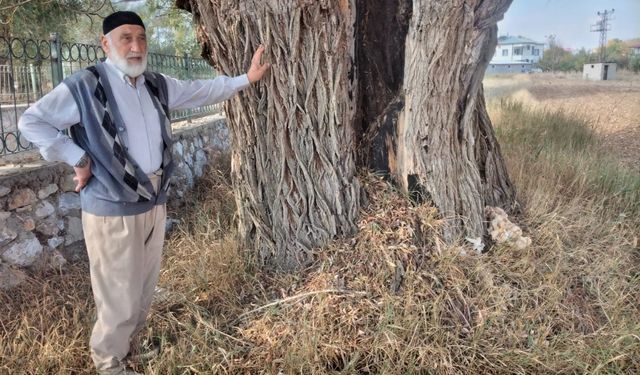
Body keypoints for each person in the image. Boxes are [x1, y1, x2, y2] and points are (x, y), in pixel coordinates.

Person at [18, 11, 269, 375]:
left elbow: (201, 90)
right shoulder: (86, 85)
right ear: (106, 43)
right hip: (111, 206)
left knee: (143, 289)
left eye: (141, 38)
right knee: (118, 294)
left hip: (153, 200)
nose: (136, 47)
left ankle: (128, 351)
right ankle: (109, 364)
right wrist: (77, 157)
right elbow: (31, 121)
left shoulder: (155, 83)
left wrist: (246, 79)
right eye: (126, 38)